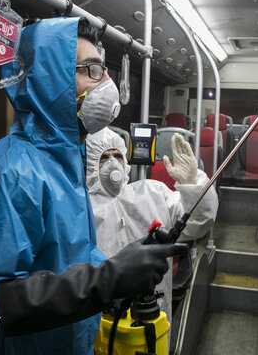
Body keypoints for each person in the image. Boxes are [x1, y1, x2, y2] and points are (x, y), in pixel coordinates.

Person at [0, 17, 187, 355]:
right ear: (51, 78)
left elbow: (67, 264)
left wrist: (121, 264)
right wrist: (108, 279)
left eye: (103, 70)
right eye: (90, 70)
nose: (104, 83)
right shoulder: (4, 171)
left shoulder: (66, 163)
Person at [85, 127, 219, 325]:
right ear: (89, 163)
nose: (113, 163)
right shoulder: (83, 209)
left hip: (152, 311)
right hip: (101, 317)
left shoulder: (151, 192)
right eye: (104, 157)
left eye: (118, 156)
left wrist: (193, 183)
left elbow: (201, 221)